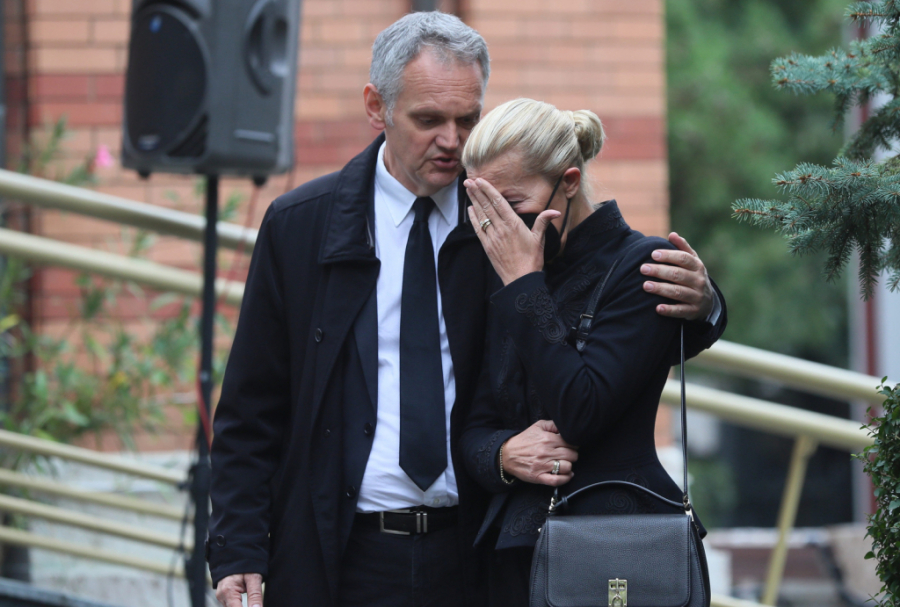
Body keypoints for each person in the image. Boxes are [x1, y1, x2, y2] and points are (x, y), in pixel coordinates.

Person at [207, 12, 724, 607]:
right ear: (377, 107)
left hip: (478, 550)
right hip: (340, 550)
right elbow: (252, 406)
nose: (451, 141)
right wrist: (238, 547)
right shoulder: (301, 225)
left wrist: (706, 305)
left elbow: (602, 313)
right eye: (428, 120)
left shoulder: (514, 218)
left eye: (467, 119)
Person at [458, 98, 726, 607]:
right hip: (510, 561)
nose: (500, 228)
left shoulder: (640, 266)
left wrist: (524, 288)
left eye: (511, 205)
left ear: (569, 182)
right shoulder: (506, 271)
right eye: (486, 211)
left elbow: (582, 410)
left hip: (615, 556)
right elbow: (474, 423)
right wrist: (502, 455)